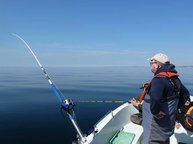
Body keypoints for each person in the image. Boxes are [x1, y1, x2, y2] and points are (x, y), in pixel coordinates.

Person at [142, 53, 190, 144]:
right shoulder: (174, 78)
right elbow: (185, 94)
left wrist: (156, 112)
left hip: (155, 125)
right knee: (164, 139)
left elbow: (155, 98)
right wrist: (175, 108)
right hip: (168, 122)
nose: (150, 66)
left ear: (157, 64)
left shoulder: (159, 79)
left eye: (151, 64)